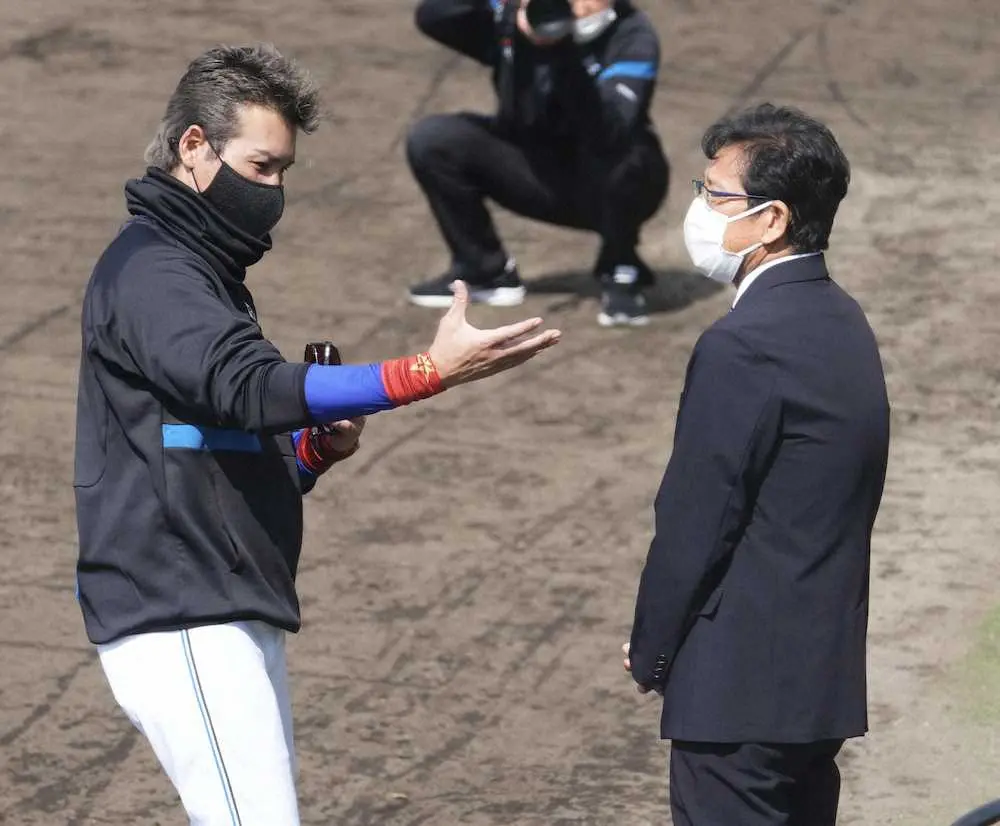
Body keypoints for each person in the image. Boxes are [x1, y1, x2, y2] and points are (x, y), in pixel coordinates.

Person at [73, 43, 560, 826]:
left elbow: (204, 442)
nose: (274, 192)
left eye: (283, 173)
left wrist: (307, 454)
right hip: (181, 605)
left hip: (216, 597)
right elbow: (247, 385)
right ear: (193, 146)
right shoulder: (158, 274)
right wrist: (421, 373)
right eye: (261, 166)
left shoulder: (200, 272)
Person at [624, 103, 890, 825]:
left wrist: (651, 649)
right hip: (814, 690)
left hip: (736, 697)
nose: (698, 210)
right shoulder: (842, 322)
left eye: (715, 196)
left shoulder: (743, 345)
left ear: (771, 220)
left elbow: (697, 517)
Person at [406, 0, 669, 327]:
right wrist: (513, 11)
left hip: (606, 185)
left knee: (633, 158)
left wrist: (561, 48)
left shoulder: (632, 34)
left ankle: (620, 263)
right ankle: (484, 269)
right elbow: (432, 15)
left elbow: (609, 134)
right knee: (434, 139)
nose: (578, 4)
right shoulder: (515, 19)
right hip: (534, 173)